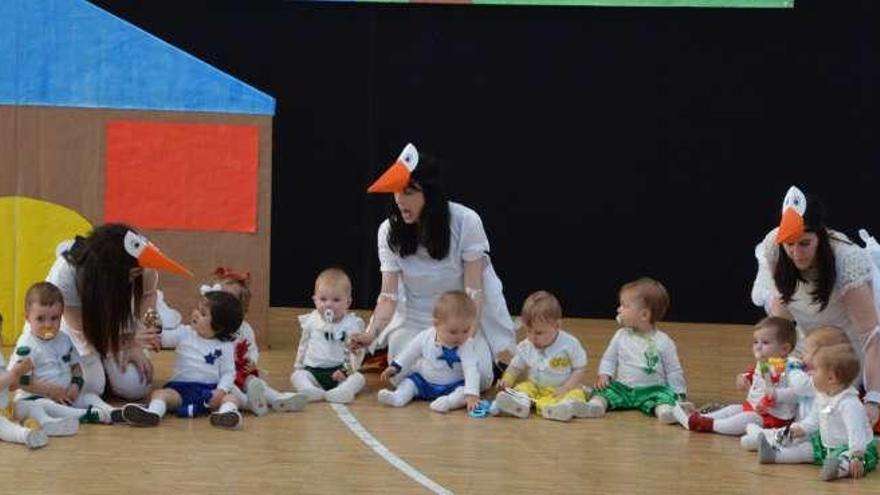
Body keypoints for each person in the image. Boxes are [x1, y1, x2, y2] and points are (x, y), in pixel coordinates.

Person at [351, 143, 515, 387]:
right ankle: (395, 359)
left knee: (479, 378)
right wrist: (370, 334)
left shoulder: (465, 222)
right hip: (415, 323)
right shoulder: (387, 231)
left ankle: (471, 366)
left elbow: (474, 292)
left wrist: (467, 338)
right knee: (400, 376)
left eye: (408, 192)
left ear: (429, 193)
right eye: (396, 192)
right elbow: (388, 297)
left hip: (458, 324)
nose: (399, 200)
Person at [752, 186, 880, 428]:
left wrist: (874, 399)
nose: (796, 253)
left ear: (820, 237)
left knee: (830, 410)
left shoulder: (845, 259)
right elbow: (781, 323)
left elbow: (871, 334)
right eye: (789, 244)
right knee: (780, 405)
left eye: (804, 243)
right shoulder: (775, 247)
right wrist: (767, 371)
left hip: (846, 349)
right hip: (805, 344)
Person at [43, 223, 192, 401]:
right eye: (130, 275)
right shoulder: (66, 274)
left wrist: (141, 337)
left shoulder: (140, 260)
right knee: (91, 385)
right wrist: (129, 341)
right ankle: (100, 373)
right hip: (83, 330)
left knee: (136, 386)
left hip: (119, 321)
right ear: (108, 273)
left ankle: (107, 372)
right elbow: (82, 332)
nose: (135, 277)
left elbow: (148, 294)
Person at [120, 291, 244, 428]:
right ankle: (153, 414)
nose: (196, 313)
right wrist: (154, 328)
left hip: (210, 392)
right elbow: (164, 338)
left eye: (203, 314)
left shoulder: (225, 346)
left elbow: (228, 372)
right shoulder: (184, 333)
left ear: (219, 326)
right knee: (160, 394)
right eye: (197, 308)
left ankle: (227, 415)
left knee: (232, 397)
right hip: (180, 389)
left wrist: (221, 391)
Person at [758, 344, 877, 481]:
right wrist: (800, 428)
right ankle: (775, 455)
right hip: (828, 445)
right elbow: (814, 420)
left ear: (831, 378)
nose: (809, 374)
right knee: (806, 449)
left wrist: (857, 455)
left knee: (846, 460)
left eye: (814, 371)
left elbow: (856, 433)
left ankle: (837, 470)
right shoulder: (822, 395)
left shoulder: (849, 403)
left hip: (857, 449)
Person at [194, 267, 306, 415]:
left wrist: (251, 361)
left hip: (240, 370)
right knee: (231, 389)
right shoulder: (210, 326)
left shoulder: (245, 329)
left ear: (240, 307)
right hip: (219, 374)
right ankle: (249, 404)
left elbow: (252, 348)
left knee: (254, 381)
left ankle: (278, 398)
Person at [9, 282, 114, 435]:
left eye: (54, 318)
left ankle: (111, 411)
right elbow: (21, 381)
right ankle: (82, 416)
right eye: (40, 319)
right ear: (27, 318)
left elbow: (76, 368)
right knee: (44, 406)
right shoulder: (27, 346)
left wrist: (75, 385)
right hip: (35, 398)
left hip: (64, 396)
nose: (48, 325)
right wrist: (50, 390)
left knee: (90, 396)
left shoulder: (64, 339)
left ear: (61, 316)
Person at [673, 316, 799, 435]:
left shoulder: (786, 367)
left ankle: (709, 424)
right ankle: (699, 417)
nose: (758, 347)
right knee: (733, 409)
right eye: (755, 342)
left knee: (746, 419)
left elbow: (773, 381)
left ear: (784, 349)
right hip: (754, 407)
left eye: (765, 343)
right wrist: (744, 377)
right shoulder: (765, 362)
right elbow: (755, 372)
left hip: (773, 417)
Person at [585, 278, 687, 422]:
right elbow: (609, 359)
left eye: (624, 306)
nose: (618, 309)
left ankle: (665, 411)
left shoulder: (664, 342)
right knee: (604, 391)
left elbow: (673, 370)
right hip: (623, 388)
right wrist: (604, 374)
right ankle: (596, 405)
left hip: (652, 390)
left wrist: (679, 392)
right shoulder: (620, 335)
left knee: (663, 396)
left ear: (644, 315)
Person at [376, 291, 486, 413]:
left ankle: (447, 402)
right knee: (409, 383)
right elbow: (410, 352)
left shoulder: (466, 345)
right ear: (436, 324)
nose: (460, 337)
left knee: (462, 392)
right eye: (453, 332)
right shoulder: (425, 337)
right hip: (424, 383)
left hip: (452, 386)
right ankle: (398, 397)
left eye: (465, 331)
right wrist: (395, 367)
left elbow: (471, 368)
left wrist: (472, 394)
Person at [741, 325, 847, 451]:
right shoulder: (816, 374)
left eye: (806, 352)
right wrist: (777, 394)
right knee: (788, 434)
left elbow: (800, 387)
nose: (802, 356)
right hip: (805, 424)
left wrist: (792, 368)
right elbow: (796, 396)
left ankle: (762, 440)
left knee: (792, 441)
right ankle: (764, 436)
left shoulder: (821, 380)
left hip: (816, 431)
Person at [492, 291, 589, 422]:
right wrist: (507, 380)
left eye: (538, 332)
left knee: (576, 394)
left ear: (557, 326)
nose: (532, 337)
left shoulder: (569, 344)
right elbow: (515, 367)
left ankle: (563, 408)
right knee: (522, 388)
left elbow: (580, 368)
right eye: (528, 331)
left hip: (561, 388)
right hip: (536, 387)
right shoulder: (526, 346)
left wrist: (566, 387)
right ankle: (519, 405)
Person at [290, 268, 366, 404]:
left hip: (339, 372)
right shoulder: (311, 321)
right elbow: (303, 345)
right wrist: (298, 365)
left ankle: (342, 391)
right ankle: (309, 390)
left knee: (359, 378)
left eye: (336, 300)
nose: (328, 304)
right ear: (315, 300)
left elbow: (356, 354)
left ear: (348, 302)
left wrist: (346, 371)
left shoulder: (351, 324)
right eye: (323, 299)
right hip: (313, 371)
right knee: (297, 376)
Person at [0, 311, 48, 449]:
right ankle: (26, 435)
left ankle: (49, 422)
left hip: (6, 408)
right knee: (3, 426)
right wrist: (15, 373)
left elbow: (7, 385)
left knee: (33, 405)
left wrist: (18, 377)